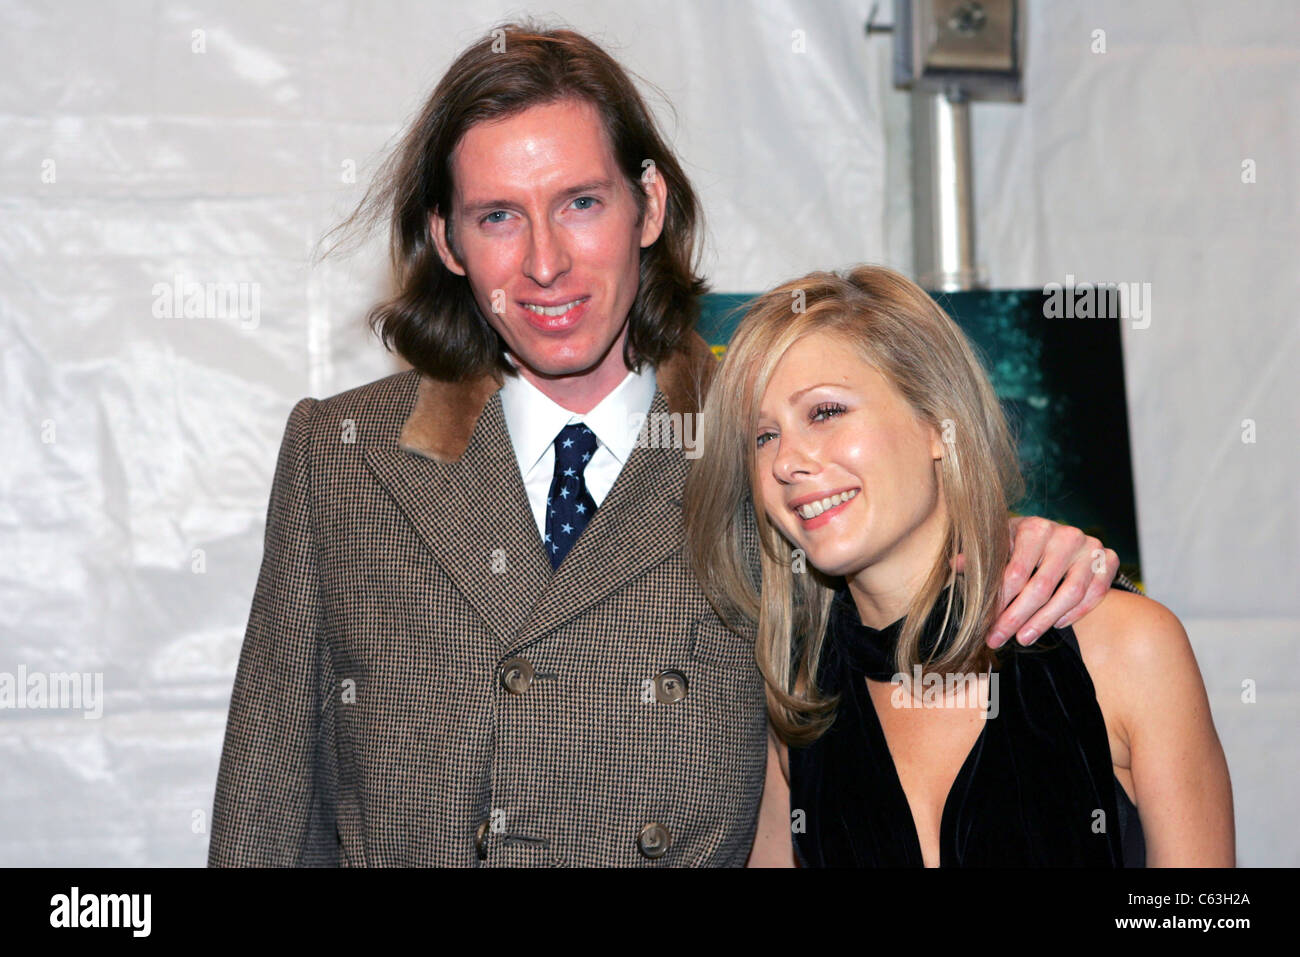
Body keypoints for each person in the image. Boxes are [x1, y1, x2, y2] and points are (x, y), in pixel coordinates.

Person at [208, 23, 1123, 867]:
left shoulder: (764, 448)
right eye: (497, 217)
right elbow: (265, 815)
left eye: (579, 203)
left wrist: (1026, 545)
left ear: (648, 205)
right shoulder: (346, 455)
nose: (544, 263)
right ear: (447, 240)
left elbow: (905, 579)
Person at [684, 265, 1235, 867]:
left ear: (936, 425)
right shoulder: (798, 705)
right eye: (762, 437)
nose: (788, 461)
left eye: (825, 412)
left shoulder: (1128, 649)